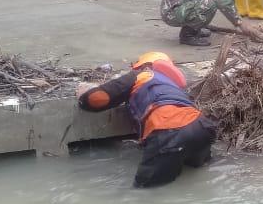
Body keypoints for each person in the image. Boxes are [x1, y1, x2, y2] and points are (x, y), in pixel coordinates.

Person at [77, 52, 215, 188]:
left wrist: (83, 96)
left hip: (169, 133)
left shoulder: (142, 75)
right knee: (197, 173)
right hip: (202, 127)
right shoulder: (173, 85)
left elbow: (98, 98)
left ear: (144, 65)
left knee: (146, 191)